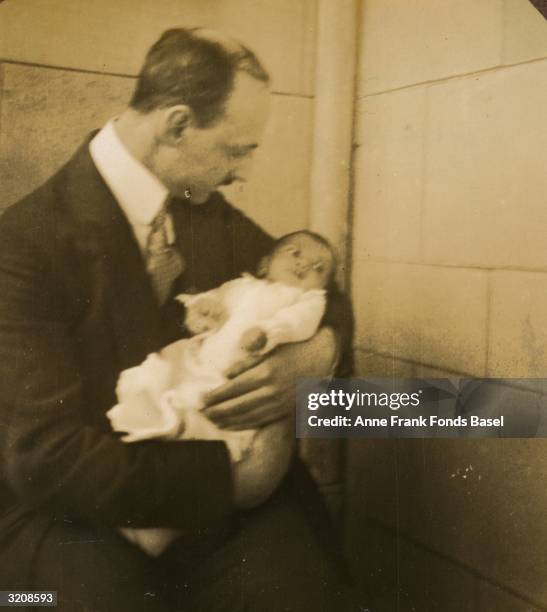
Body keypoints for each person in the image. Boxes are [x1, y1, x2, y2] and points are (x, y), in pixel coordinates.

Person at [0, 27, 355, 611]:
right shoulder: (23, 242)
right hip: (76, 511)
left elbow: (317, 281)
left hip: (215, 517)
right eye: (238, 149)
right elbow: (44, 458)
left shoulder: (201, 206)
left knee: (304, 594)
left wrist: (318, 354)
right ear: (178, 125)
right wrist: (236, 482)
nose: (244, 172)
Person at [108, 230, 338, 556]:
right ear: (264, 263)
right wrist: (201, 309)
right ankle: (145, 431)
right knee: (158, 379)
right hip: (197, 362)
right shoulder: (238, 286)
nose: (304, 264)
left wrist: (268, 333)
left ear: (323, 287)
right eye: (294, 252)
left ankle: (159, 534)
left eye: (319, 267)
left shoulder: (308, 300)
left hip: (234, 382)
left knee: (210, 443)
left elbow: (299, 322)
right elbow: (208, 300)